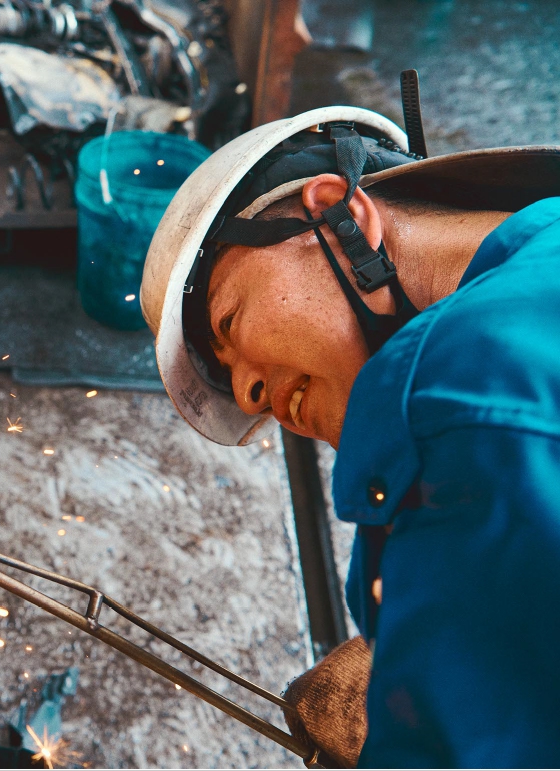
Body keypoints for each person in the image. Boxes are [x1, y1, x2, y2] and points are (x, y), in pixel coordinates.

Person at [140, 105, 560, 767]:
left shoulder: (454, 393)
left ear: (339, 218)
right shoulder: (544, 251)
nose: (252, 396)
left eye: (228, 321)